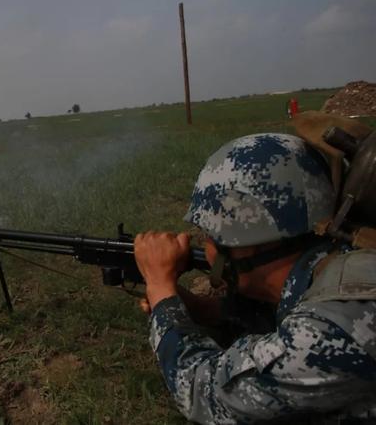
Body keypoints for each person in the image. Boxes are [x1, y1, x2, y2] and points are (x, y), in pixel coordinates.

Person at [134, 133, 376, 424]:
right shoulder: (344, 262)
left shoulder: (329, 328)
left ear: (246, 240)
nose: (205, 247)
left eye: (210, 235)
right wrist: (201, 310)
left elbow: (205, 392)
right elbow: (281, 313)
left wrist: (161, 290)